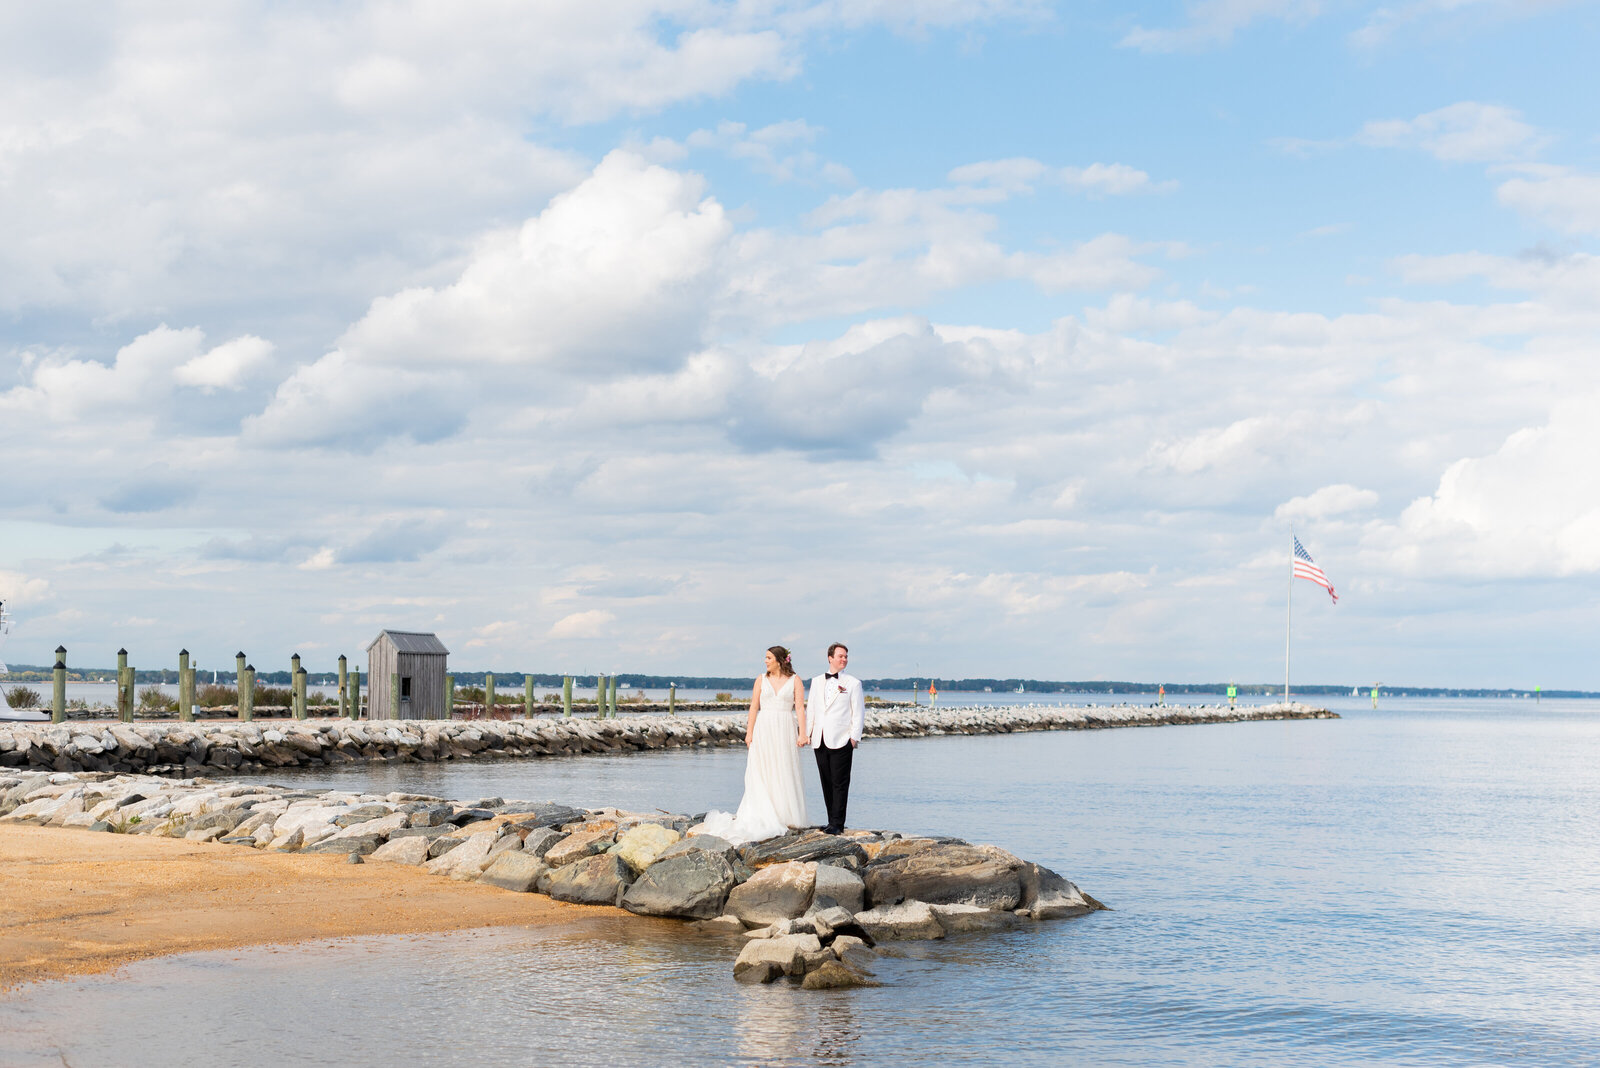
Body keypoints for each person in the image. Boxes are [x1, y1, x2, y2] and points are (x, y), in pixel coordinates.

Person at [697, 646, 811, 844]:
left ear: (780, 660)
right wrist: (749, 733)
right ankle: (762, 812)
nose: (765, 661)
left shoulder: (795, 680)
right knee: (762, 769)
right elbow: (754, 707)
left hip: (785, 727)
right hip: (764, 728)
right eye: (765, 657)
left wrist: (803, 733)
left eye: (768, 657)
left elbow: (800, 708)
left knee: (784, 768)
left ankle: (785, 814)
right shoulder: (761, 679)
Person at [808, 642, 864, 835]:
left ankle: (838, 823)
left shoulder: (853, 683)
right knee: (826, 781)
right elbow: (812, 709)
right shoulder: (816, 681)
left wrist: (854, 738)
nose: (844, 659)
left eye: (846, 656)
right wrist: (808, 733)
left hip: (842, 739)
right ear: (830, 658)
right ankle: (830, 820)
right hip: (820, 738)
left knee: (840, 783)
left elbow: (858, 713)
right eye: (840, 656)